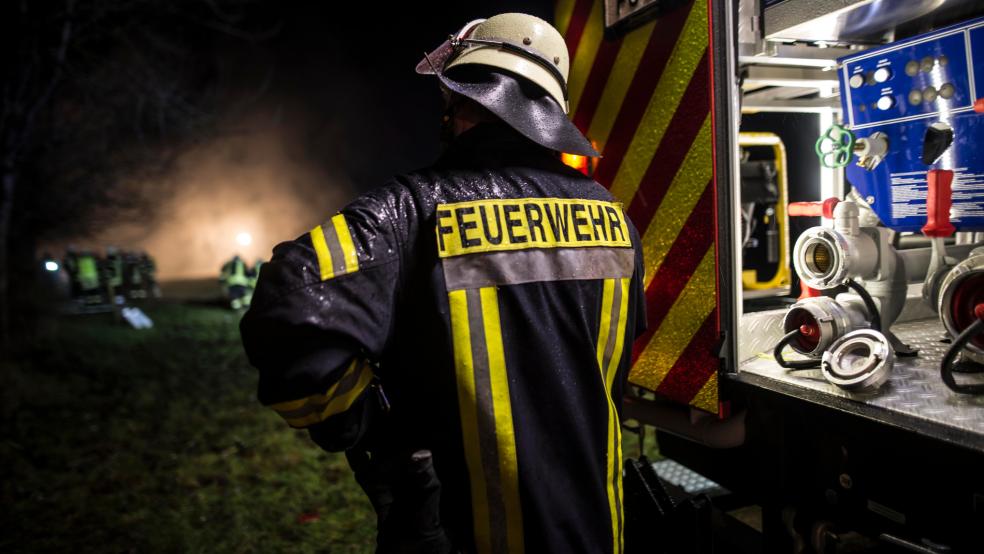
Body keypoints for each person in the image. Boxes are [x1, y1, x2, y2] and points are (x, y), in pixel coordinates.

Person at [241, 13, 646, 554]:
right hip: (598, 533)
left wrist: (376, 431)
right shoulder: (617, 221)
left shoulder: (412, 209)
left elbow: (289, 303)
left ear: (461, 103)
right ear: (549, 112)